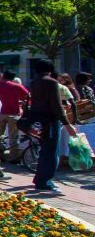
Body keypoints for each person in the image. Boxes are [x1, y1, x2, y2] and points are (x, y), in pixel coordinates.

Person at [30, 59, 77, 193]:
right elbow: (56, 106)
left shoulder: (34, 82)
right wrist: (68, 124)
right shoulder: (51, 82)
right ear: (50, 69)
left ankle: (40, 179)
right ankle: (45, 181)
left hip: (38, 120)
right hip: (50, 120)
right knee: (51, 152)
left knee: (44, 150)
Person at [0, 70, 28, 163]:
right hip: (13, 113)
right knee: (13, 136)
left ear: (3, 75)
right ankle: (13, 156)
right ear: (13, 78)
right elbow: (28, 96)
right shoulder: (16, 86)